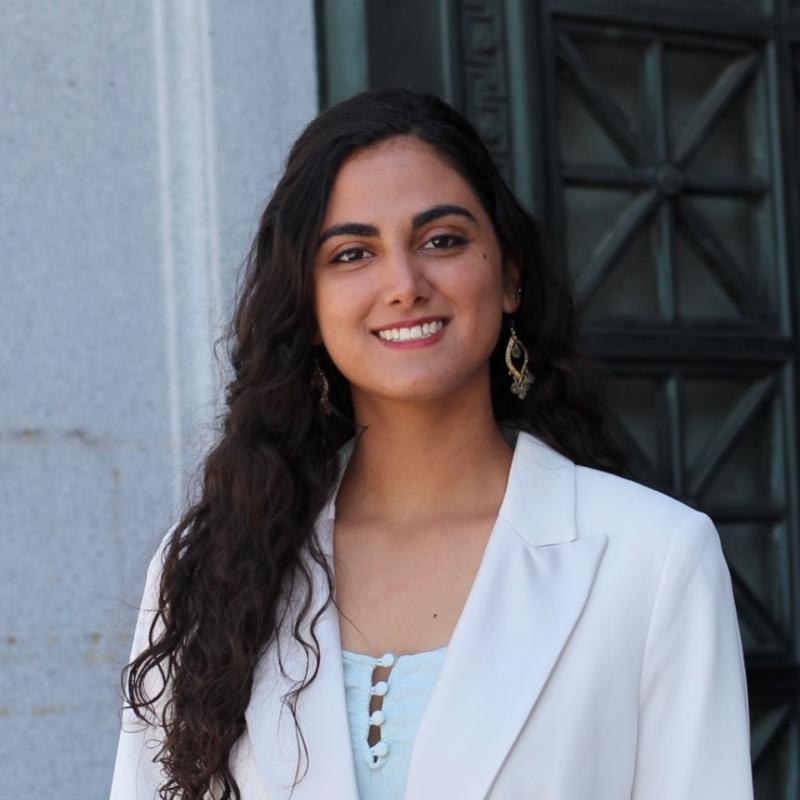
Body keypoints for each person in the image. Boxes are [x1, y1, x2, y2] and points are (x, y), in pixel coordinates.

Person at [110, 87, 753, 800]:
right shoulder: (212, 562)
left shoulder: (656, 558)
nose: (404, 284)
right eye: (353, 253)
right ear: (310, 305)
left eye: (442, 240)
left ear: (509, 275)